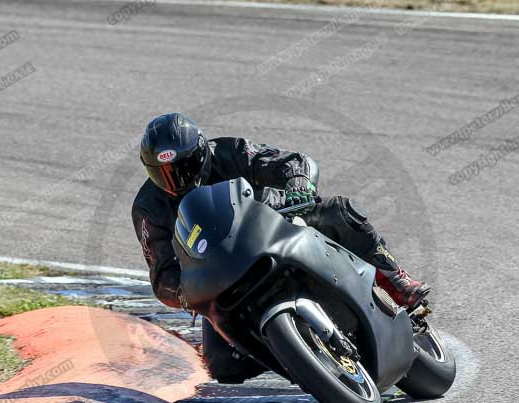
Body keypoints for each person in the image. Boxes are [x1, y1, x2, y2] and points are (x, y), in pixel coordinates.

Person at [132, 112, 429, 383]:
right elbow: (161, 271)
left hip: (275, 226)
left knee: (339, 212)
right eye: (164, 173)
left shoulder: (229, 151)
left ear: (200, 152)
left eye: (183, 167)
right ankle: (299, 360)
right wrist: (180, 292)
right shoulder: (148, 208)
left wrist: (298, 182)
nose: (177, 179)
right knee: (223, 364)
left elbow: (288, 161)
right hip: (220, 274)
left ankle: (395, 280)